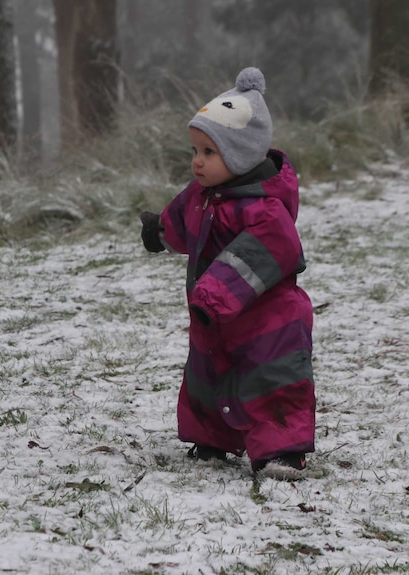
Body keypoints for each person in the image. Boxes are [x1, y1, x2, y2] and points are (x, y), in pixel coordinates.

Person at [140, 67, 316, 481]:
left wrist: (212, 296)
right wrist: (161, 232)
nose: (196, 162)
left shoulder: (266, 209)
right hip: (214, 316)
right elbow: (184, 220)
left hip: (266, 321)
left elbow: (265, 253)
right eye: (195, 150)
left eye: (208, 153)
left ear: (240, 155)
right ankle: (213, 441)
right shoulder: (202, 195)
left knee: (271, 383)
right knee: (208, 375)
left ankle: (283, 452)